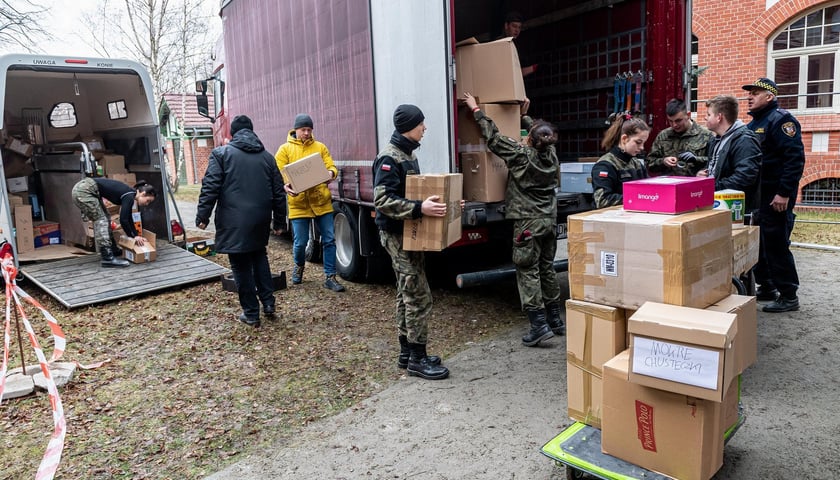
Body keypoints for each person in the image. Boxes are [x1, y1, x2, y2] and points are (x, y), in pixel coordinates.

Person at [464, 92, 564, 347]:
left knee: (527, 271)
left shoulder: (521, 155)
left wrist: (476, 110)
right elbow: (542, 136)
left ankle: (538, 325)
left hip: (527, 223)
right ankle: (555, 320)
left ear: (529, 139)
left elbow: (494, 138)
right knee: (546, 268)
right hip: (548, 221)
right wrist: (525, 116)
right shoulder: (551, 155)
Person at [373, 104, 449, 380]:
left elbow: (414, 192)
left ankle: (407, 353)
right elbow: (381, 200)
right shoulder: (389, 158)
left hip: (407, 234)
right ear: (409, 126)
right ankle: (417, 359)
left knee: (406, 293)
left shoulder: (407, 154)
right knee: (418, 295)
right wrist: (420, 209)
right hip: (396, 235)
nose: (425, 128)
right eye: (421, 124)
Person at [197, 115, 286, 327]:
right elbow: (278, 193)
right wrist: (280, 222)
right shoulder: (267, 157)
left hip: (233, 219)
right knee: (259, 257)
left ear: (232, 134)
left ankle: (251, 313)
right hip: (260, 219)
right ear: (252, 131)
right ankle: (269, 303)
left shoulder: (221, 154)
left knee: (240, 265)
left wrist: (203, 216)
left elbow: (211, 186)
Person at [742, 77, 806, 313]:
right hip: (758, 197)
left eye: (755, 93)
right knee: (759, 245)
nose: (750, 96)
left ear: (770, 96)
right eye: (749, 93)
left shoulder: (781, 121)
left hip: (775, 197)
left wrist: (783, 193)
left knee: (777, 244)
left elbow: (794, 159)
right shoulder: (753, 125)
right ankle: (767, 286)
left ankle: (789, 295)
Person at [274, 113, 345, 292]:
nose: (306, 133)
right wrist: (285, 185)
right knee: (300, 242)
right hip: (299, 203)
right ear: (296, 130)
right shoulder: (284, 150)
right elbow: (278, 172)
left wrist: (331, 173)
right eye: (303, 130)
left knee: (329, 240)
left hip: (321, 201)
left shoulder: (320, 147)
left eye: (309, 130)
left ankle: (330, 276)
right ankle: (299, 266)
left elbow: (331, 166)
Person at [71, 177, 156, 268]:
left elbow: (128, 217)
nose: (147, 204)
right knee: (101, 220)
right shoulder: (129, 196)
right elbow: (123, 220)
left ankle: (113, 249)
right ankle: (107, 257)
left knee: (106, 217)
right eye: (148, 201)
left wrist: (136, 235)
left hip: (88, 190)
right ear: (143, 194)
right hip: (84, 191)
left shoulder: (130, 194)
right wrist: (134, 236)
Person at [697, 94, 761, 212]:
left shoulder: (745, 141)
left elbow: (744, 178)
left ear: (719, 117)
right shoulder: (715, 140)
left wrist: (710, 187)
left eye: (708, 114)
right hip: (719, 206)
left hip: (737, 210)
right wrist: (704, 175)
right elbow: (715, 168)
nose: (705, 118)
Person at [591, 114, 651, 208]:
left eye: (643, 143)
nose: (642, 147)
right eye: (638, 142)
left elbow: (649, 188)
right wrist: (638, 198)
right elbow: (602, 200)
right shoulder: (605, 165)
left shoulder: (637, 164)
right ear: (624, 139)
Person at [647, 98, 714, 176]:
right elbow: (649, 163)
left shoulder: (706, 135)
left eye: (678, 120)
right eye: (670, 121)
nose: (674, 125)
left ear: (688, 115)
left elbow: (714, 162)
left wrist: (696, 160)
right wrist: (663, 161)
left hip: (693, 184)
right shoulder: (663, 135)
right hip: (669, 184)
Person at [499, 11, 537, 77]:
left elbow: (517, 72)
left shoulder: (515, 45)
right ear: (506, 26)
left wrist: (534, 67)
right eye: (514, 26)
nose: (517, 30)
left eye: (519, 27)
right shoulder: (499, 43)